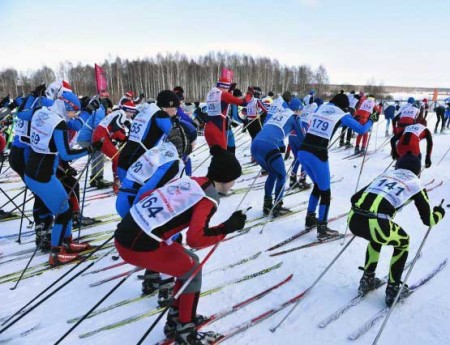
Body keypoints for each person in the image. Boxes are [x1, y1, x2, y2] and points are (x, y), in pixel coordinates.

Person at [114, 145, 245, 344]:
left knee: (189, 261)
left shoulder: (193, 181)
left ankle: (176, 319)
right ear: (227, 178)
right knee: (193, 270)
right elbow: (196, 239)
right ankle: (185, 331)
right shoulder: (209, 197)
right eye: (235, 178)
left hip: (127, 233)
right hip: (137, 245)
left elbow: (146, 197)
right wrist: (227, 227)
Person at [348, 153, 445, 306]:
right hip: (377, 223)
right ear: (418, 172)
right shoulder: (415, 183)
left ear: (397, 166)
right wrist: (440, 212)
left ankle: (367, 278)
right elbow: (429, 221)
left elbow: (354, 198)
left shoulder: (385, 175)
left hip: (353, 219)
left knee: (376, 238)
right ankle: (393, 289)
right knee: (403, 242)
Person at [24, 91, 102, 265]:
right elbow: (66, 155)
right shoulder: (58, 123)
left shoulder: (43, 110)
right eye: (74, 111)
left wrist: (88, 111)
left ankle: (67, 242)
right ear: (67, 107)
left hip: (35, 169)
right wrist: (90, 149)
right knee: (63, 210)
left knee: (64, 204)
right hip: (41, 175)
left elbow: (73, 124)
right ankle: (56, 253)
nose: (74, 115)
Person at [297, 93, 375, 240]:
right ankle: (322, 229)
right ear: (343, 106)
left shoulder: (321, 107)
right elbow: (362, 130)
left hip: (303, 150)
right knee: (325, 192)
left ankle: (310, 218)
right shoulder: (341, 113)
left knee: (318, 186)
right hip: (317, 154)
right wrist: (371, 120)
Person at [251, 94, 304, 217]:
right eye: (301, 111)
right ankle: (277, 206)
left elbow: (270, 128)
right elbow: (302, 138)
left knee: (273, 173)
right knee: (281, 175)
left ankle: (267, 204)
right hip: (268, 146)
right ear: (298, 110)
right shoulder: (295, 117)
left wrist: (280, 144)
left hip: (255, 145)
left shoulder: (278, 114)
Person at [117, 90, 176, 182]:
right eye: (175, 108)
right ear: (167, 106)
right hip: (137, 164)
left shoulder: (148, 109)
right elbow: (176, 135)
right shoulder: (160, 115)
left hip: (126, 159)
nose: (176, 112)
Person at [92, 100, 138, 193]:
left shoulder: (118, 113)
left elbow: (112, 129)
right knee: (117, 157)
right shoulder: (121, 114)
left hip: (102, 135)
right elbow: (115, 129)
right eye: (132, 112)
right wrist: (124, 138)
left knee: (116, 157)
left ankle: (117, 181)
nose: (132, 115)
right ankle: (116, 183)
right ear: (128, 110)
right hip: (101, 136)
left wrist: (120, 138)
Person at [204, 78, 252, 150]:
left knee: (215, 154)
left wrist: (229, 90)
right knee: (225, 154)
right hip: (219, 128)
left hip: (208, 127)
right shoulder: (225, 95)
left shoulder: (212, 93)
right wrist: (249, 94)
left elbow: (224, 101)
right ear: (225, 87)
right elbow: (244, 103)